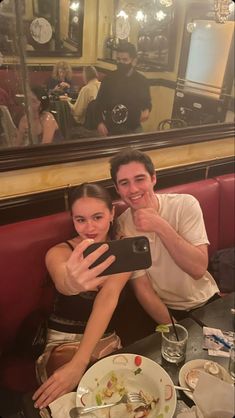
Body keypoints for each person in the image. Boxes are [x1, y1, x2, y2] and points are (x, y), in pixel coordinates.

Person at [32, 183, 132, 409]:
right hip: (63, 340)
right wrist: (71, 283)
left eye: (97, 217)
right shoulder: (59, 252)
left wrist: (81, 362)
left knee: (119, 401)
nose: (90, 227)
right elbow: (62, 280)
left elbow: (107, 300)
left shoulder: (122, 251)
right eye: (81, 220)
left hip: (105, 338)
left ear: (112, 213)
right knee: (76, 403)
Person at [109, 148, 219, 322]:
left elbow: (198, 269)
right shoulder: (121, 227)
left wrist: (160, 225)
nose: (133, 189)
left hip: (205, 299)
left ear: (153, 178)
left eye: (140, 179)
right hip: (164, 310)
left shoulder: (185, 204)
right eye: (124, 183)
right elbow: (142, 288)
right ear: (117, 189)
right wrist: (174, 329)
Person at [95, 42, 152, 136]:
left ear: (134, 61)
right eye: (118, 59)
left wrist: (147, 110)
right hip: (111, 128)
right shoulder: (108, 79)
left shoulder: (142, 81)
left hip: (133, 128)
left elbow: (147, 103)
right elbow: (98, 104)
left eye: (125, 60)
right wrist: (99, 123)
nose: (121, 63)